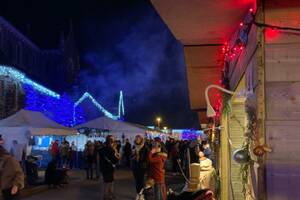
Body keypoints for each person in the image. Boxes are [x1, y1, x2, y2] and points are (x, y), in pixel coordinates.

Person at [99, 135, 120, 200]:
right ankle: (107, 197)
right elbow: (114, 160)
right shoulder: (111, 150)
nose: (114, 142)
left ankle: (109, 196)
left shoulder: (101, 149)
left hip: (104, 168)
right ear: (111, 142)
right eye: (113, 141)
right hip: (109, 168)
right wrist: (118, 157)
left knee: (107, 183)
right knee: (109, 183)